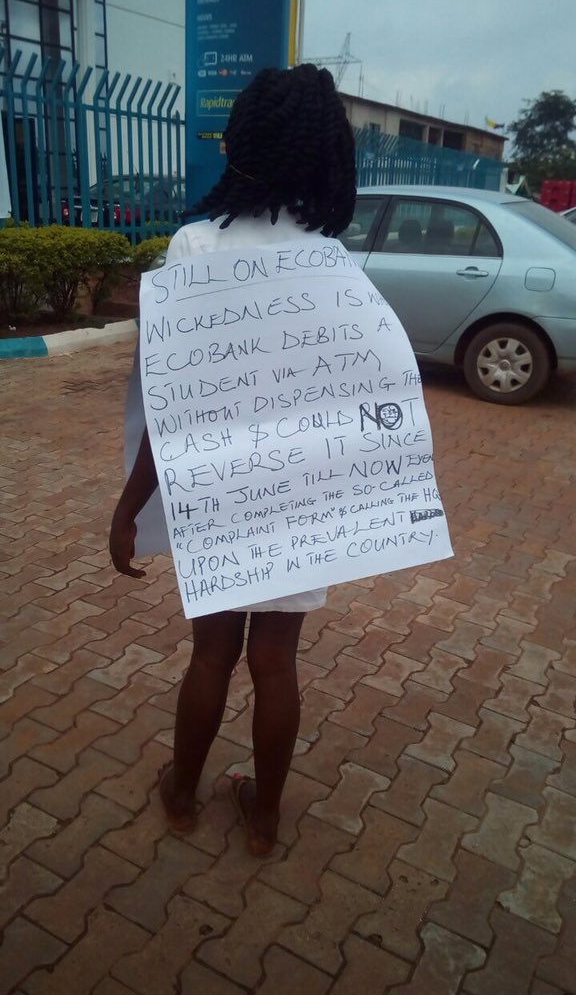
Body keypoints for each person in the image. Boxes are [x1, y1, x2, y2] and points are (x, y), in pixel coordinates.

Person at [109, 64, 357, 857]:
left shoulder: (193, 246)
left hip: (218, 485)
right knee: (277, 660)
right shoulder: (333, 255)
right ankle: (266, 815)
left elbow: (170, 398)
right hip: (301, 488)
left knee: (213, 650)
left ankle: (182, 794)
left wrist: (130, 503)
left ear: (244, 141)